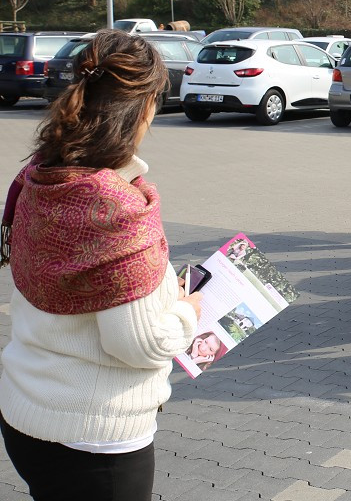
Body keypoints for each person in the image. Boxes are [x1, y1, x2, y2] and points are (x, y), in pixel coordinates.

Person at [0, 29, 202, 501]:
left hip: (24, 412)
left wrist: (154, 289)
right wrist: (187, 310)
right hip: (95, 436)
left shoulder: (39, 174)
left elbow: (77, 283)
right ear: (145, 107)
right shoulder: (115, 208)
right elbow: (144, 344)